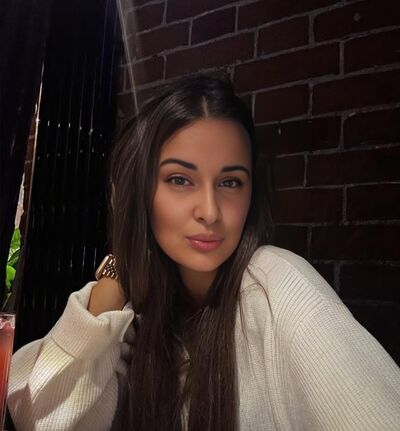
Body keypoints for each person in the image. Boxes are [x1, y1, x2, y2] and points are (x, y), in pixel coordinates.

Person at [7, 75, 400, 431]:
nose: (210, 212)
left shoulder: (276, 286)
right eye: (180, 179)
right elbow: (43, 417)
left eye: (230, 182)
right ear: (135, 194)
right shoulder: (141, 319)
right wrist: (118, 275)